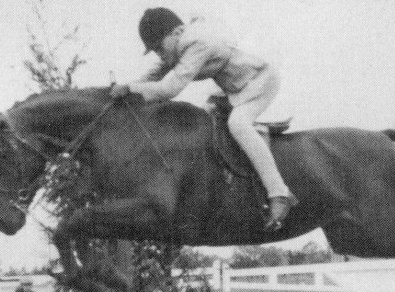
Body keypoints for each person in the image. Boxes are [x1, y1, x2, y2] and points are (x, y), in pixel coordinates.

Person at [110, 7, 298, 231]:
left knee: (238, 124)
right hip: (236, 88)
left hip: (260, 81)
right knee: (205, 120)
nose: (159, 54)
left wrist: (130, 89)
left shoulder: (196, 43)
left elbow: (169, 89)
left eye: (159, 47)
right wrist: (125, 90)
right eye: (155, 51)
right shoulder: (179, 44)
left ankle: (279, 193)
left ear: (178, 31)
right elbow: (153, 75)